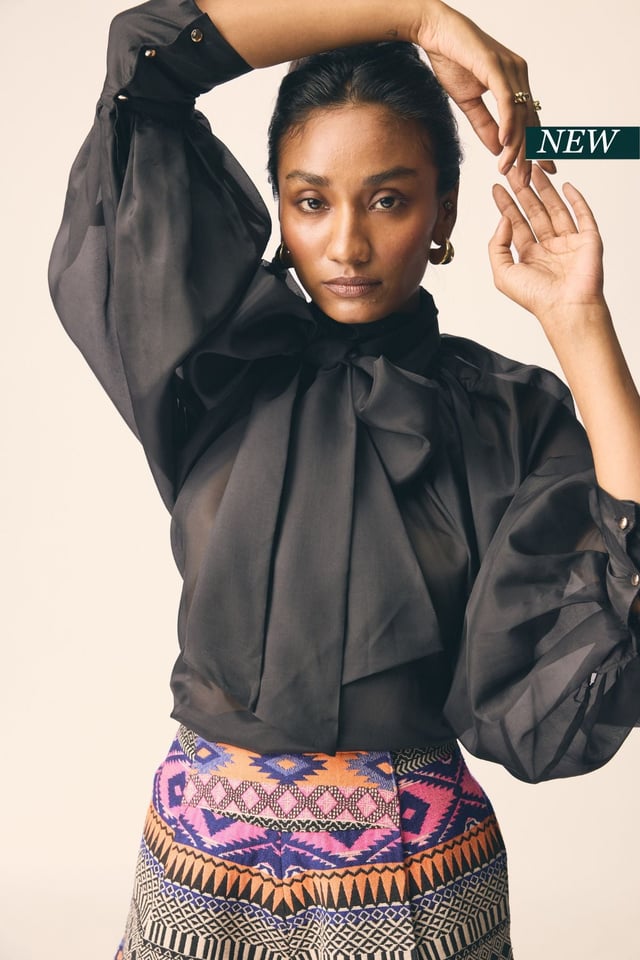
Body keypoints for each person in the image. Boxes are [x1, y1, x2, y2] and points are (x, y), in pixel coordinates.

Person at [48, 0, 640, 957]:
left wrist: (580, 325)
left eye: (390, 200)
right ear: (278, 207)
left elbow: (579, 663)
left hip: (415, 881)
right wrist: (417, 17)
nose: (348, 245)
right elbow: (145, 59)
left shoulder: (511, 415)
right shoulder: (207, 362)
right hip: (196, 871)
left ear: (445, 211)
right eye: (313, 201)